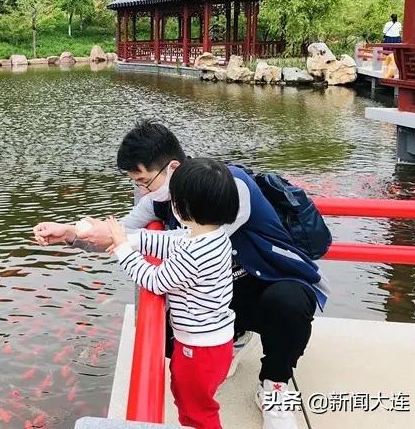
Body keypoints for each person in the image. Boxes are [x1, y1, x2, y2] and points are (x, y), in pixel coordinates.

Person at [33, 120, 330, 429]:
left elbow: (193, 242)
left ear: (172, 167)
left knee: (289, 304)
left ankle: (274, 388)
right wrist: (69, 233)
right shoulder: (162, 200)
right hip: (220, 294)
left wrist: (123, 242)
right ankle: (237, 337)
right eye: (136, 183)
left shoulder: (228, 187)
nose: (142, 191)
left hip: (267, 279)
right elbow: (123, 230)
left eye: (145, 181)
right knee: (165, 336)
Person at [106, 157, 238, 429]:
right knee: (195, 403)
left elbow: (154, 280)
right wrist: (131, 238)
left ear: (181, 206)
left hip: (199, 348)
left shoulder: (194, 251)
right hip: (216, 343)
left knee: (196, 412)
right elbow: (168, 241)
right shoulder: (213, 235)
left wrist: (122, 250)